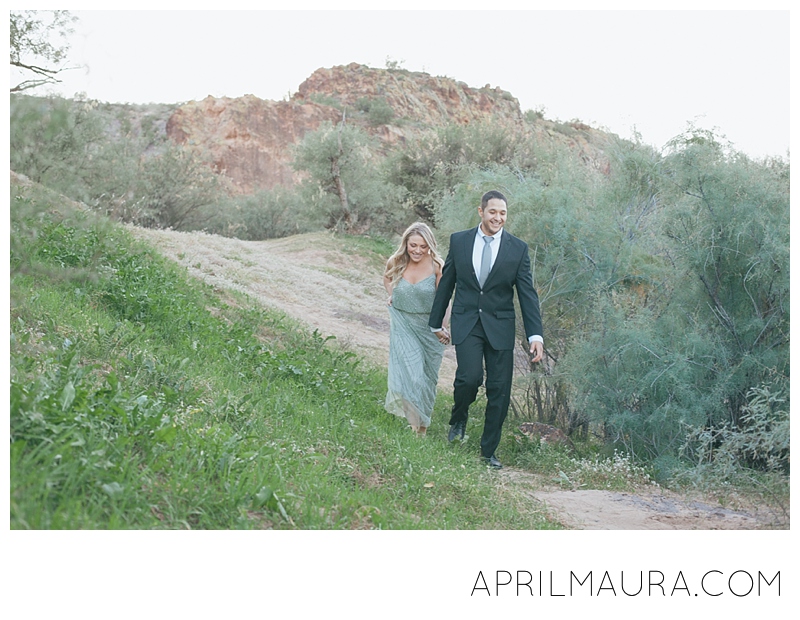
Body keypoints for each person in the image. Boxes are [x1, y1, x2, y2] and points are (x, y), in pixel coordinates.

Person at [428, 190, 543, 468]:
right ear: (481, 211)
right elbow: (447, 283)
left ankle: (488, 451)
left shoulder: (518, 249)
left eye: (503, 213)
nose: (498, 218)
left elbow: (527, 294)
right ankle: (458, 418)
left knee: (499, 389)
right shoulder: (460, 241)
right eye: (493, 212)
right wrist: (435, 322)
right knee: (469, 378)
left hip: (500, 325)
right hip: (467, 319)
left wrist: (535, 335)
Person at [384, 223, 451, 436]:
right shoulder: (397, 261)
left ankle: (423, 427)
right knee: (411, 376)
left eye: (423, 246)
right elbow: (387, 278)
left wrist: (442, 327)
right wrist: (392, 293)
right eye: (413, 245)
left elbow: (445, 300)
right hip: (403, 324)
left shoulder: (438, 266)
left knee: (427, 380)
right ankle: (414, 428)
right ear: (406, 243)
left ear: (429, 246)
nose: (418, 250)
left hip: (430, 329)